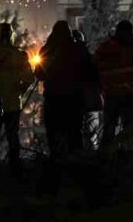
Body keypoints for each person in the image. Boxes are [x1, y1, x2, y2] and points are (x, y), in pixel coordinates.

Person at [37, 21, 94, 160]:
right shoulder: (78, 48)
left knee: (54, 133)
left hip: (53, 97)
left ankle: (56, 164)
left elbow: (39, 75)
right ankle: (76, 164)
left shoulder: (46, 50)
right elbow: (89, 70)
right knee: (75, 132)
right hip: (74, 97)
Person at [0, 23, 34, 175]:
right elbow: (29, 77)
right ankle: (14, 166)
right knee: (12, 135)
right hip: (13, 101)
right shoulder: (19, 54)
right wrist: (21, 90)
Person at [95, 20, 133, 150]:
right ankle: (127, 157)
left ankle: (105, 157)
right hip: (129, 94)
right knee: (129, 129)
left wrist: (101, 87)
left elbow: (94, 67)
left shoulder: (105, 47)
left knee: (109, 127)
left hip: (110, 94)